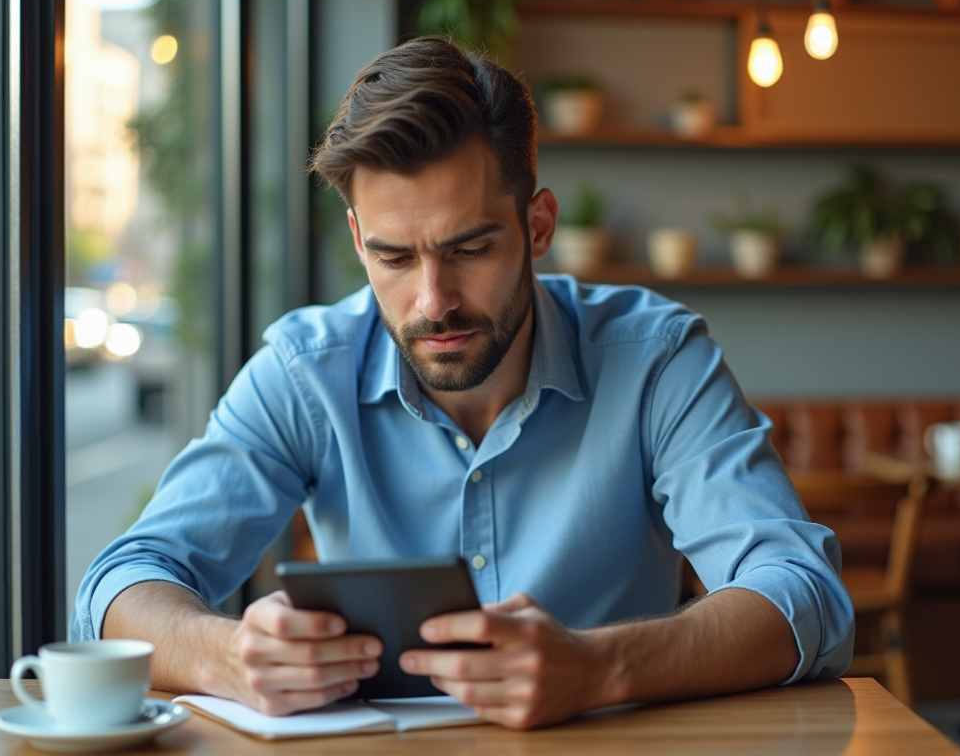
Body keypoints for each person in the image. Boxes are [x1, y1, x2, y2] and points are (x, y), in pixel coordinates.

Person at [72, 37, 853, 730]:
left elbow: (803, 595)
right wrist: (230, 654)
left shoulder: (655, 359)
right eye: (395, 258)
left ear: (537, 226)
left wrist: (598, 668)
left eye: (470, 248)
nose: (432, 301)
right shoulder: (305, 370)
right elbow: (118, 587)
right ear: (357, 239)